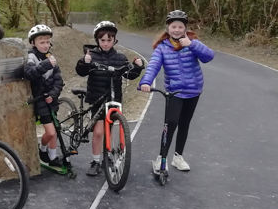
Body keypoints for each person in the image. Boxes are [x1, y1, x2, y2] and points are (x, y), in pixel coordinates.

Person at [139, 10, 214, 173]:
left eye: (180, 27)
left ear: (185, 28)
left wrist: (192, 45)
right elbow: (153, 65)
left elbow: (209, 56)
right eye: (174, 26)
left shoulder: (192, 42)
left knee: (184, 124)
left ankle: (178, 157)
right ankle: (162, 158)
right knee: (171, 123)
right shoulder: (162, 47)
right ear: (168, 28)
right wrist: (146, 81)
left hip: (194, 90)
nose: (177, 30)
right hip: (174, 92)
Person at [76, 21, 144, 176]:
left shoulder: (120, 58)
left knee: (110, 129)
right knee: (99, 132)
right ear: (97, 41)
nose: (106, 43)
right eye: (103, 40)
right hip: (98, 98)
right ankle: (95, 161)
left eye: (109, 40)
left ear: (114, 41)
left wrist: (138, 67)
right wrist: (84, 62)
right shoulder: (91, 55)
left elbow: (129, 74)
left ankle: (109, 155)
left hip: (114, 99)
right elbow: (81, 71)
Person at [24, 25, 64, 167]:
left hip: (51, 100)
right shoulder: (31, 57)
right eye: (42, 42)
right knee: (51, 133)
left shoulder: (51, 57)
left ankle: (53, 157)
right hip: (39, 101)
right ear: (33, 42)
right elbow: (29, 73)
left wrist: (53, 95)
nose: (46, 45)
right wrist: (46, 65)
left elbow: (59, 81)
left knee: (55, 130)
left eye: (47, 42)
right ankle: (42, 149)